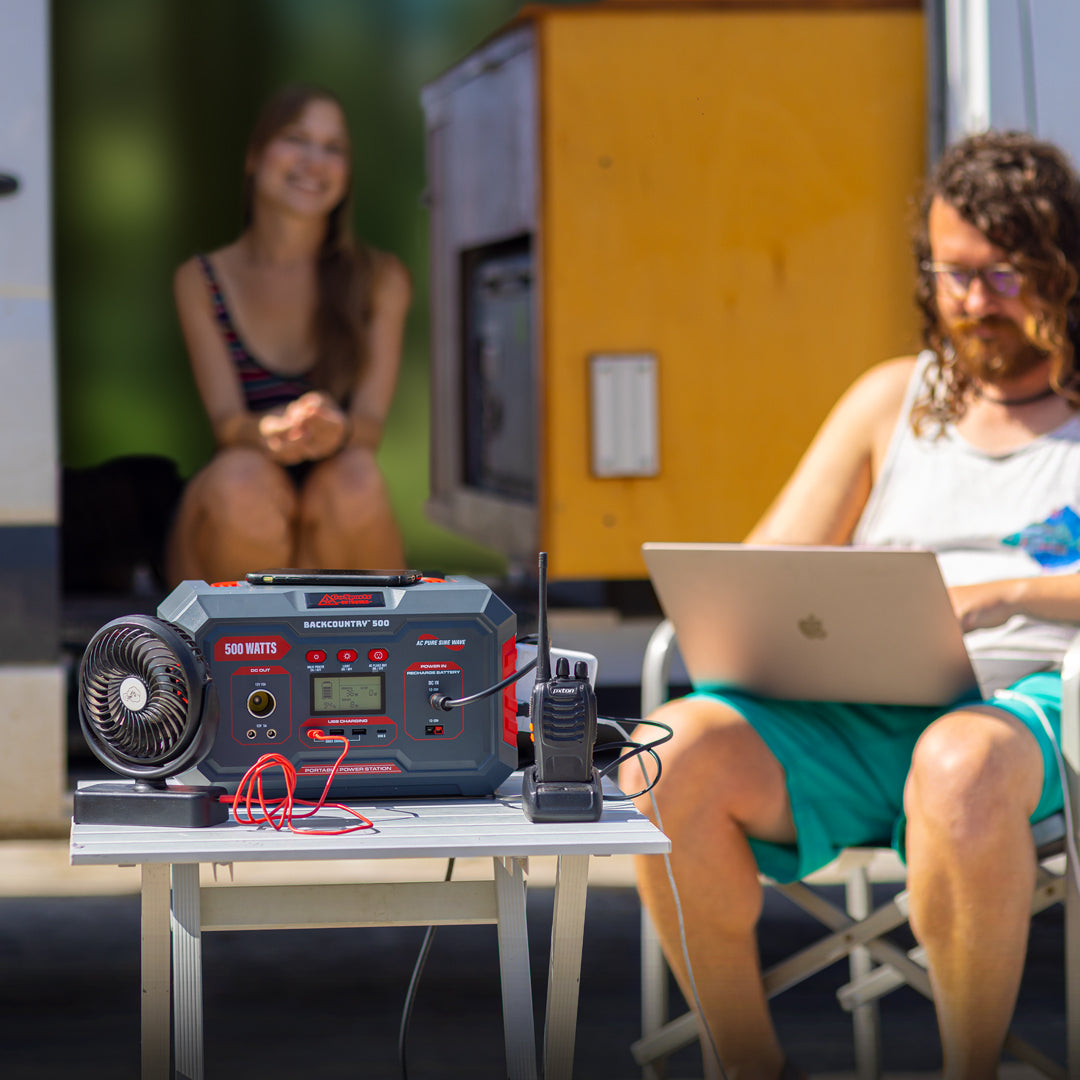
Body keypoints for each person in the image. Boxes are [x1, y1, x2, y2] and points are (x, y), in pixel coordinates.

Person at [623, 130, 1080, 1080]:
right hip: (851, 713)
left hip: (1023, 718)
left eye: (1002, 277)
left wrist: (1005, 593)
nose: (971, 303)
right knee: (666, 757)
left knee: (955, 762)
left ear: (1064, 269)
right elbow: (762, 564)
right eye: (951, 275)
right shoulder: (891, 400)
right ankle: (750, 1067)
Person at [166, 83, 411, 586]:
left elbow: (369, 426)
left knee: (357, 477)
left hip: (337, 522)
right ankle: (240, 659)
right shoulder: (201, 279)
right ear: (254, 156)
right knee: (242, 479)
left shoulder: (381, 280)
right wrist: (268, 432)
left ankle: (369, 653)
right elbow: (226, 423)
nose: (314, 160)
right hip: (234, 525)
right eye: (297, 138)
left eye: (333, 147)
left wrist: (335, 430)